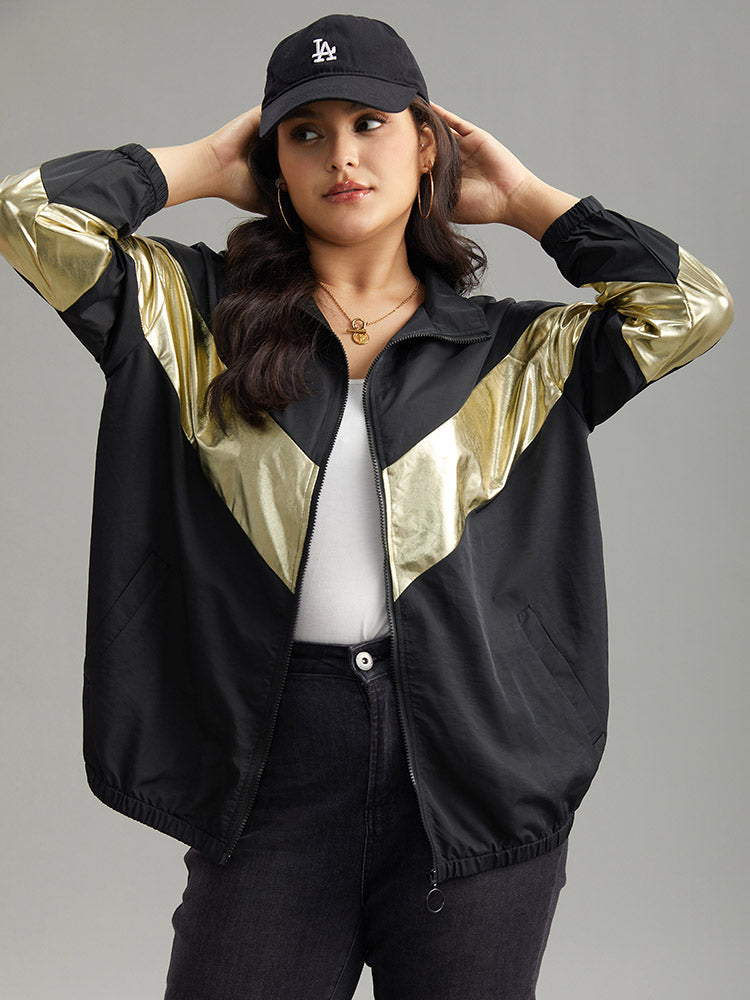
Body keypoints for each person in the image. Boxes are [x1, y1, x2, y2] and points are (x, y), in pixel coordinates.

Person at [0, 12, 734, 1000]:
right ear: (273, 162)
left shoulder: (519, 352)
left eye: (371, 124)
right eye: (306, 133)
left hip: (470, 770)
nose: (340, 155)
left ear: (428, 145)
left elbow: (690, 306)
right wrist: (204, 165)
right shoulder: (188, 314)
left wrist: (527, 202)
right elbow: (28, 216)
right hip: (275, 763)